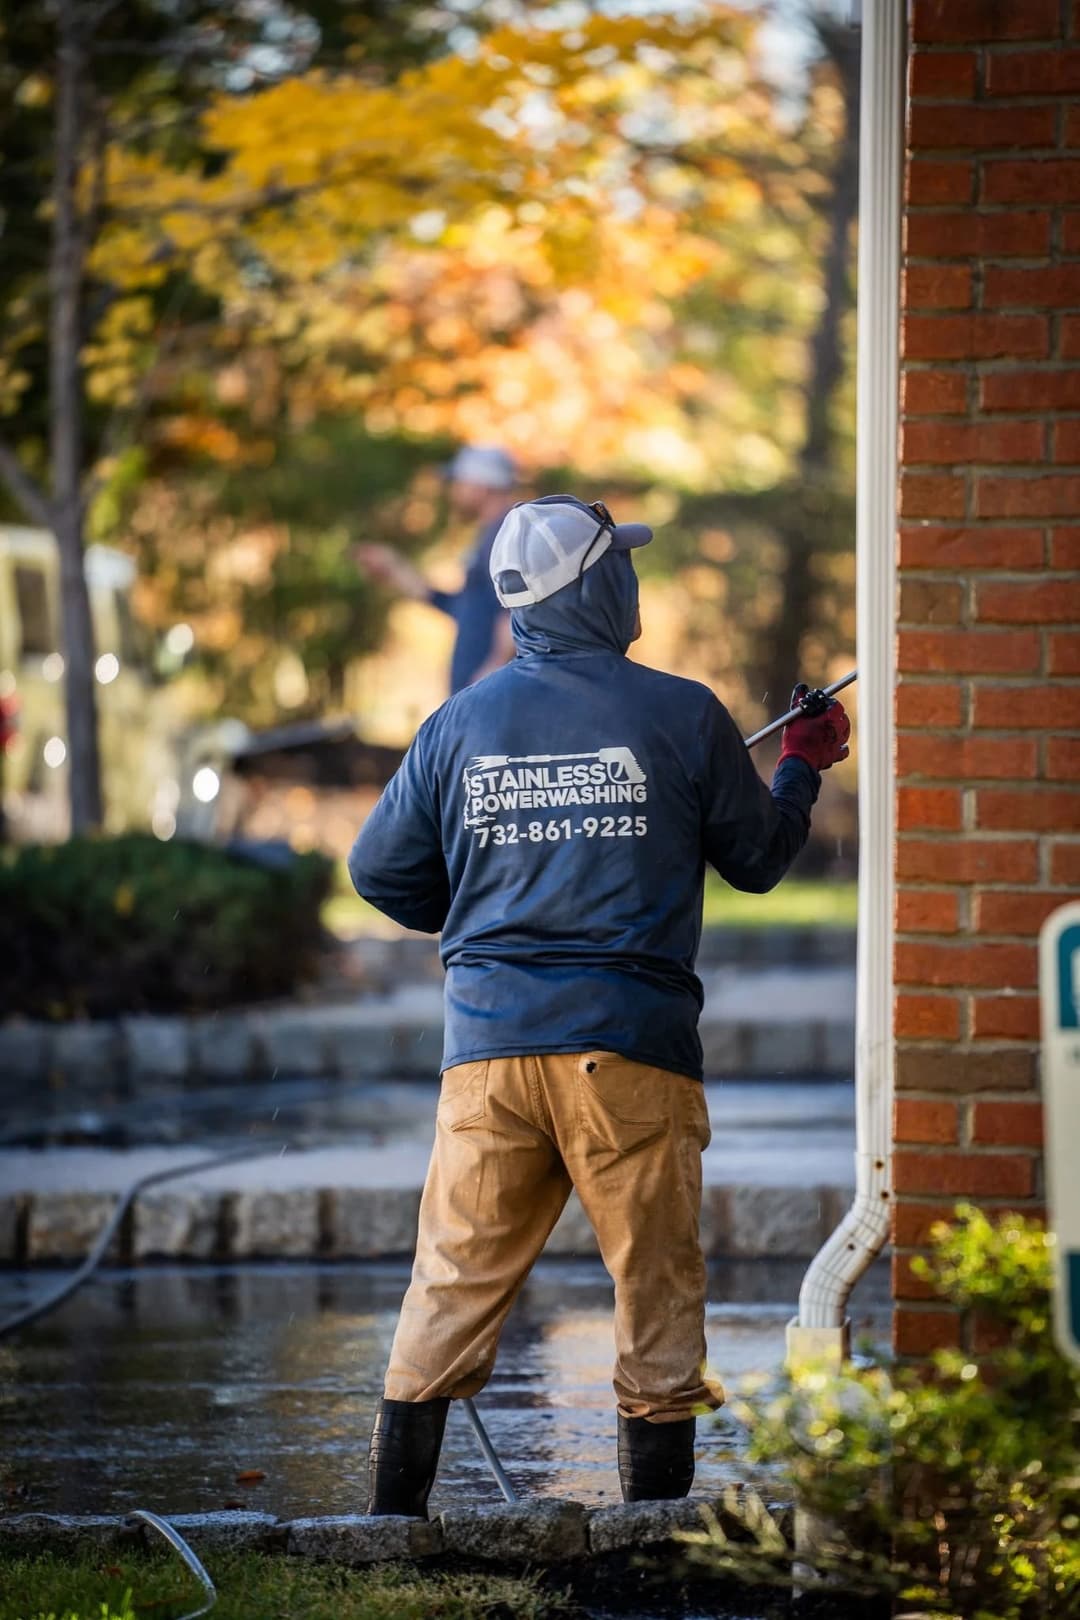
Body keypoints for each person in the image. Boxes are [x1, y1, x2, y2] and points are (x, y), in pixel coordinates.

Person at [347, 494, 851, 1516]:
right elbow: (755, 859)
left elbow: (377, 872)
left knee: (449, 1288)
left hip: (486, 1059)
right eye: (622, 565)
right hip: (628, 1056)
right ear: (600, 586)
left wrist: (482, 904)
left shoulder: (460, 722)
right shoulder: (681, 713)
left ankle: (388, 1529)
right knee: (654, 1293)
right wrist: (799, 767)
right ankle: (654, 1538)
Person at [354, 445, 518, 694]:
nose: (452, 492)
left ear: (481, 486)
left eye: (458, 483)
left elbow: (516, 614)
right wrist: (395, 569)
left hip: (487, 698)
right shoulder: (488, 538)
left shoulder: (504, 536)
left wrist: (490, 677)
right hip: (478, 695)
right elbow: (461, 608)